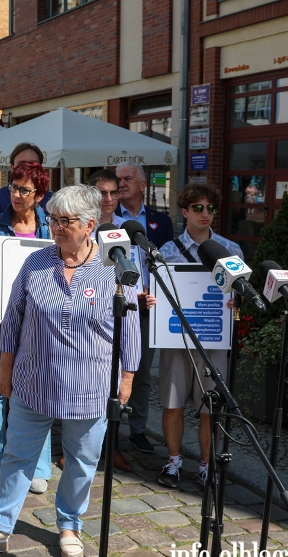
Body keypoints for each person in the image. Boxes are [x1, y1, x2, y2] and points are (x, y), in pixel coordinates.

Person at [0, 185, 141, 557]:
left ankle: (70, 523)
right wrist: (4, 370)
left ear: (90, 225)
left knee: (83, 461)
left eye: (65, 221)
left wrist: (127, 379)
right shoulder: (35, 263)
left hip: (90, 386)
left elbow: (132, 328)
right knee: (17, 457)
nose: (55, 227)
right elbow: (13, 321)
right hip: (33, 381)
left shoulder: (114, 268)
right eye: (53, 219)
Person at [0, 161, 53, 491]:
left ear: (39, 194)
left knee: (38, 390)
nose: (16, 194)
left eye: (24, 189)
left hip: (38, 324)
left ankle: (37, 464)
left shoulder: (49, 228)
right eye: (13, 187)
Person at [157, 184, 240, 488]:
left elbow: (239, 292)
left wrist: (236, 300)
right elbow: (157, 291)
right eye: (198, 208)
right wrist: (153, 301)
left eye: (210, 208)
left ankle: (207, 465)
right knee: (172, 401)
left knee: (211, 406)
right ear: (184, 212)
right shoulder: (166, 250)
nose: (205, 214)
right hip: (175, 338)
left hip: (213, 338)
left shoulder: (229, 250)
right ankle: (174, 462)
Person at [114, 162, 172, 455]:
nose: (121, 183)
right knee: (112, 371)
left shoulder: (161, 222)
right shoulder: (110, 221)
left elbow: (166, 264)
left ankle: (137, 430)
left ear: (142, 184)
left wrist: (156, 293)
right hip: (118, 306)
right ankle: (109, 431)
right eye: (118, 179)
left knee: (143, 374)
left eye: (127, 178)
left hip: (148, 309)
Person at [88, 168, 135, 473]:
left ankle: (111, 447)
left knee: (116, 390)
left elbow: (135, 272)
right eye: (101, 192)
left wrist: (141, 295)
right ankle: (78, 449)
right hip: (87, 317)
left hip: (119, 313)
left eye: (113, 192)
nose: (108, 199)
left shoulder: (127, 230)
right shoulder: (83, 228)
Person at [0, 142, 52, 220]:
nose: (27, 168)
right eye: (22, 164)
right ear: (12, 167)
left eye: (32, 164)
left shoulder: (52, 199)